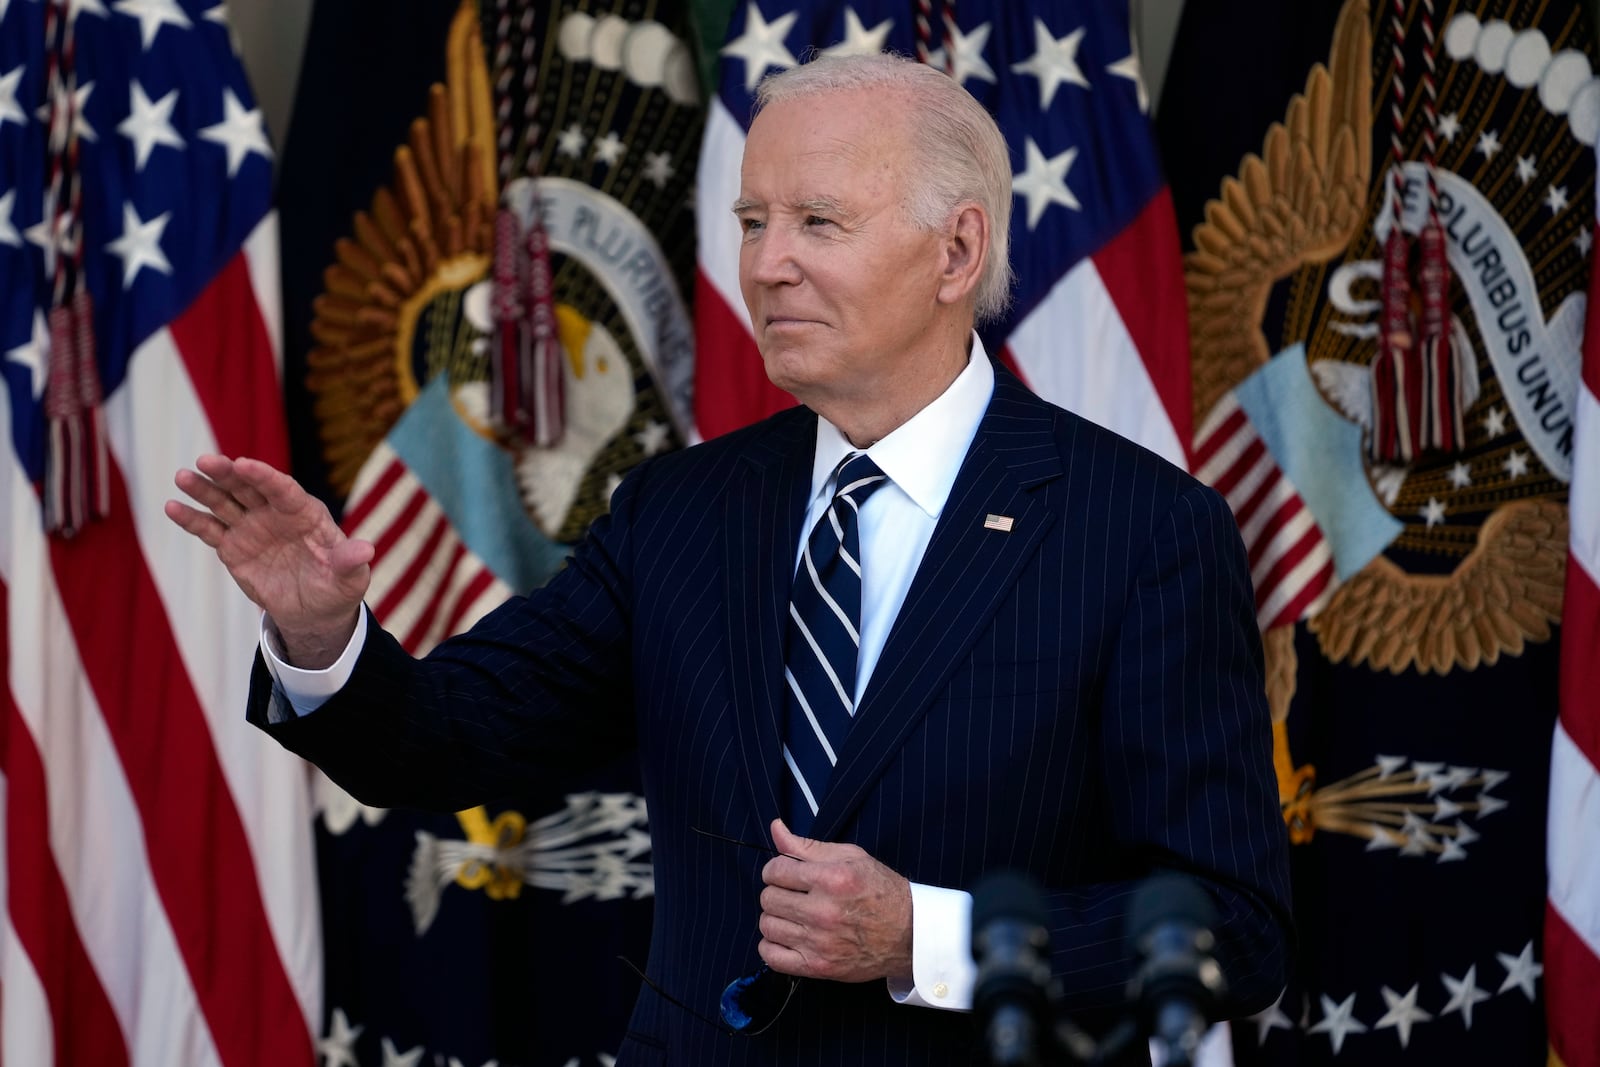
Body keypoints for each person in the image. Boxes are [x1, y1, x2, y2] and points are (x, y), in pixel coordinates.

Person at [168, 53, 1290, 1066]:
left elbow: (1231, 931)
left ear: (956, 250)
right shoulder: (680, 508)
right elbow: (445, 737)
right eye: (753, 220)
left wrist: (927, 935)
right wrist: (321, 636)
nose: (767, 264)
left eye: (817, 221)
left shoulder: (1140, 529)